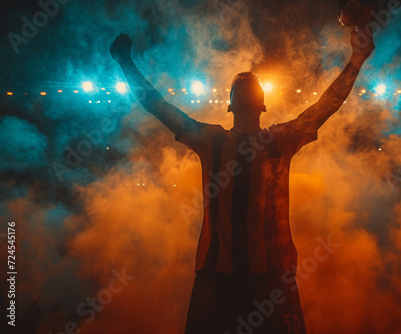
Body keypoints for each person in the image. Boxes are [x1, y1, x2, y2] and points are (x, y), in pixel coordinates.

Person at [110, 26, 374, 334]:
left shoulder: (281, 139)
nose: (247, 85)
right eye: (239, 86)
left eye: (252, 85)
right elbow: (159, 107)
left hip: (272, 276)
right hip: (217, 276)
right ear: (229, 105)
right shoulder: (211, 140)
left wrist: (357, 59)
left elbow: (326, 105)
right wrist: (125, 63)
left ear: (263, 105)